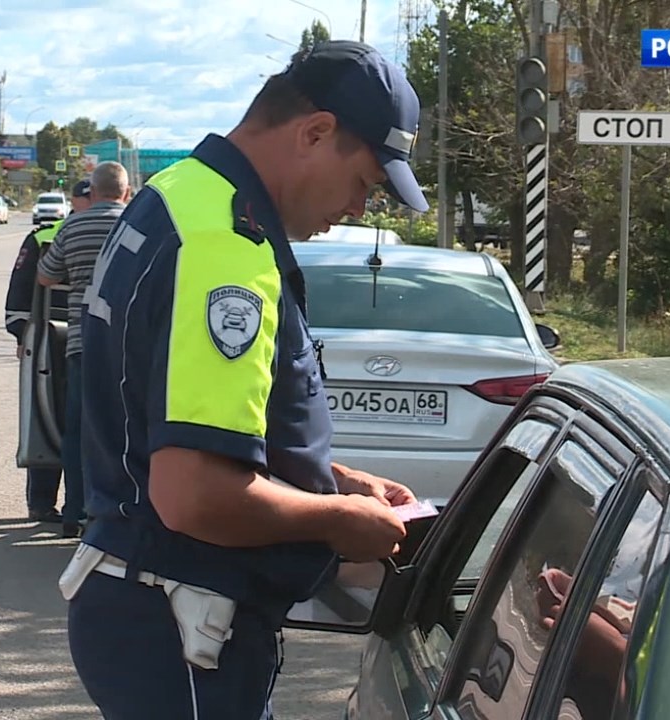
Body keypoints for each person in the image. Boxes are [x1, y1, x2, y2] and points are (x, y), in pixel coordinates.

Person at [60, 40, 430, 719]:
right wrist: (338, 520)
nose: (357, 209)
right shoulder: (226, 248)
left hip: (150, 608)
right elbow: (194, 495)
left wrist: (336, 477)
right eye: (366, 184)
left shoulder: (181, 196)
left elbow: (175, 416)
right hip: (181, 618)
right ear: (316, 132)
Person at [38, 163, 131, 538]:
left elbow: (45, 275)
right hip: (130, 346)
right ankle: (121, 511)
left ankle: (75, 512)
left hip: (83, 341)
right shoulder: (139, 225)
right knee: (126, 429)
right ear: (126, 192)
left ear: (91, 192)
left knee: (79, 431)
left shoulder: (72, 226)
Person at [4, 180, 92, 523]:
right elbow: (20, 289)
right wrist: (23, 336)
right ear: (75, 200)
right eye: (84, 198)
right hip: (47, 340)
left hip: (84, 338)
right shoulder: (45, 236)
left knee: (76, 425)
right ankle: (41, 502)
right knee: (43, 415)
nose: (89, 202)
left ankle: (80, 504)